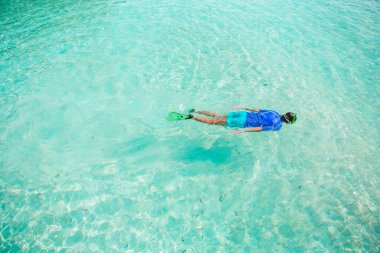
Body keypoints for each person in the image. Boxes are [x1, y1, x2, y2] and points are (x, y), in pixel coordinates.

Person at [184, 106, 297, 134]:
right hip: (243, 122)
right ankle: (192, 117)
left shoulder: (274, 112)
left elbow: (257, 109)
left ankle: (195, 111)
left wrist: (242, 107)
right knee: (213, 122)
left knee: (217, 116)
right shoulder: (277, 126)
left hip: (243, 114)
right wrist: (243, 131)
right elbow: (259, 128)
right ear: (287, 122)